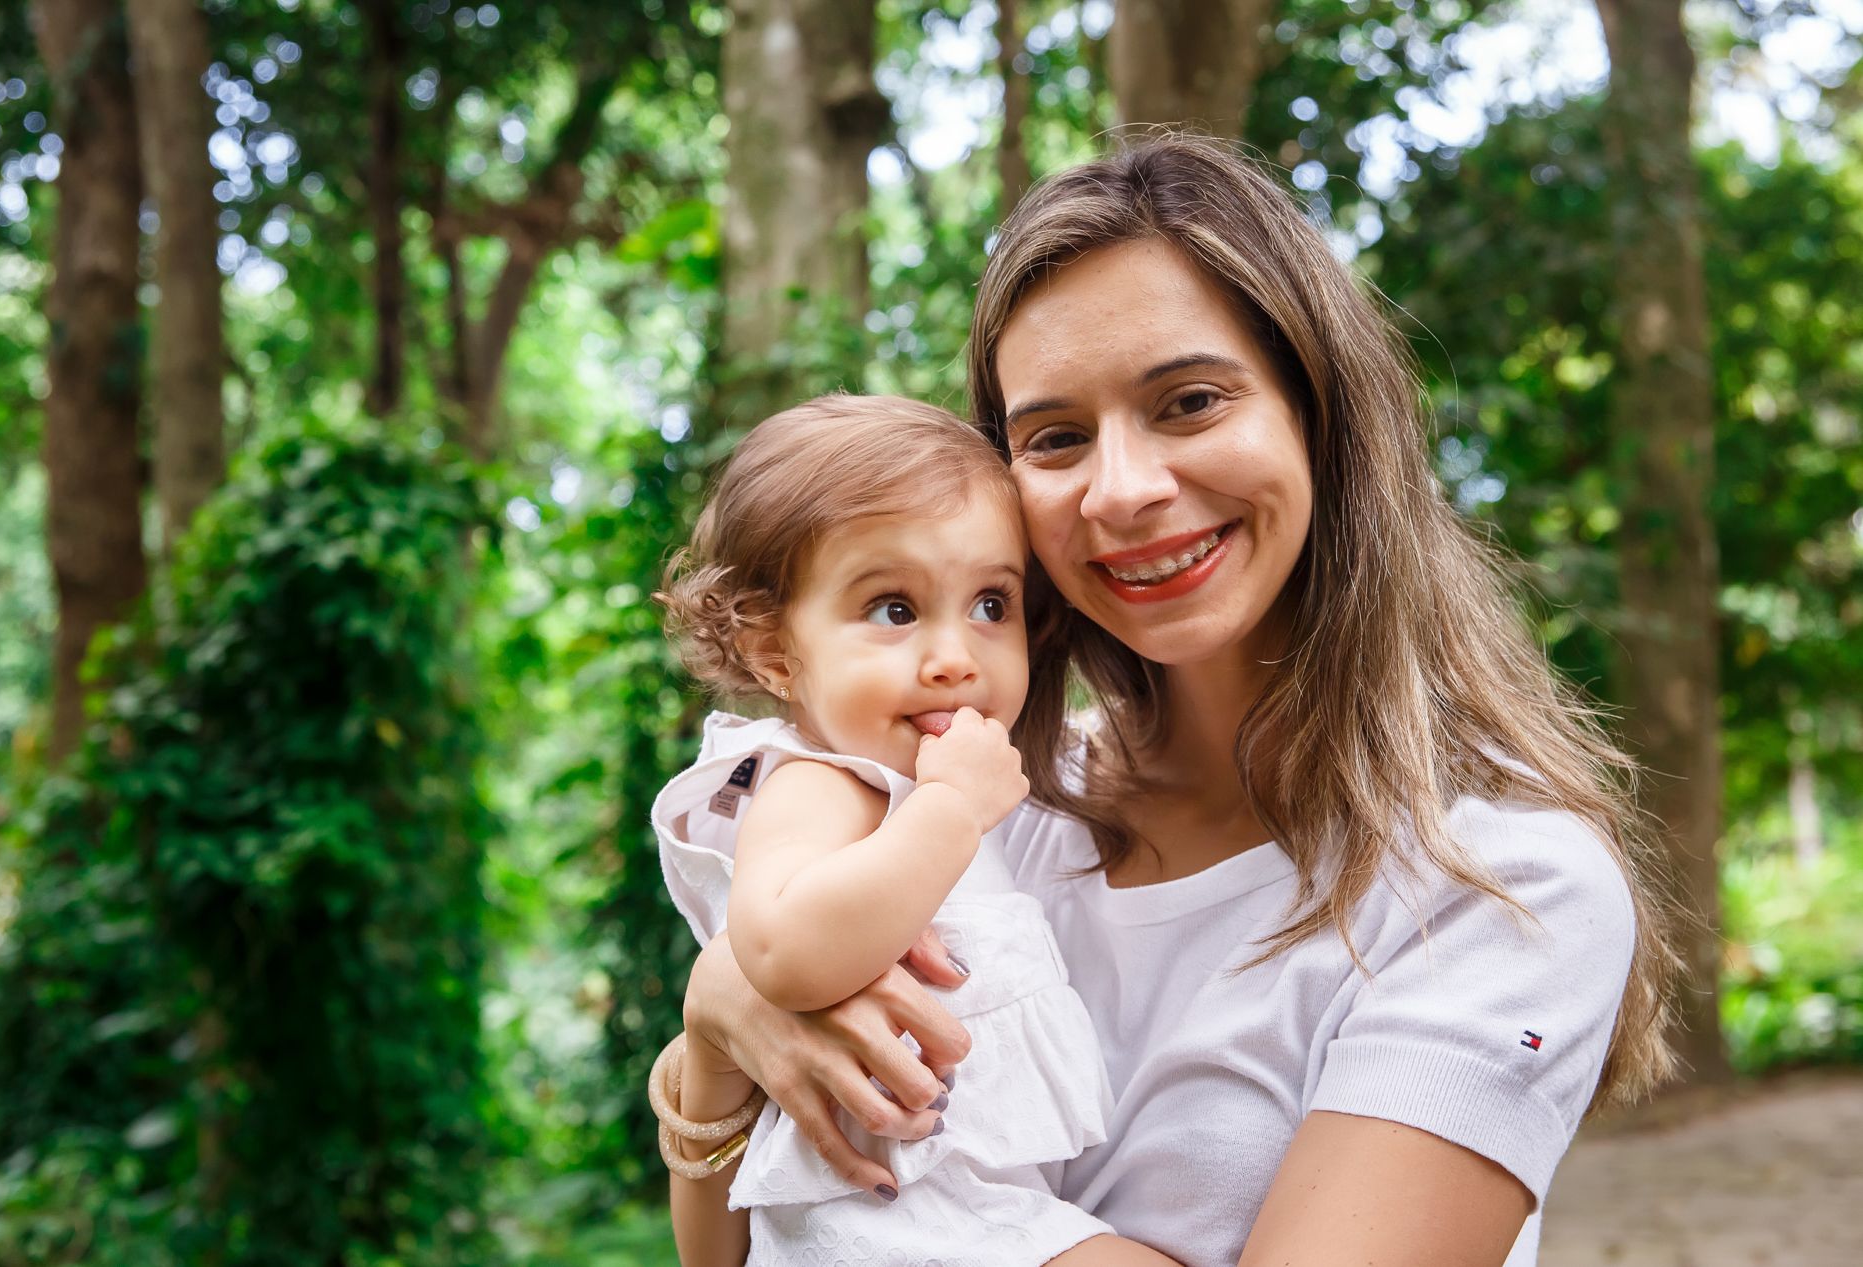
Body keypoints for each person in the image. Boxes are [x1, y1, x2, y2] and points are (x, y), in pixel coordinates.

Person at [661, 134, 1675, 1267]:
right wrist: (716, 1028)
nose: (1126, 488)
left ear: (1319, 415)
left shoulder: (1496, 884)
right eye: (1054, 437)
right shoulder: (971, 817)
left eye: (1188, 401)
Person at [651, 395, 1155, 1266]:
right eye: (893, 608)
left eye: (992, 604)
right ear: (774, 650)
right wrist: (951, 812)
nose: (957, 654)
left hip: (950, 1213)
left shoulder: (911, 792)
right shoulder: (822, 782)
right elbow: (782, 953)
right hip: (898, 1223)